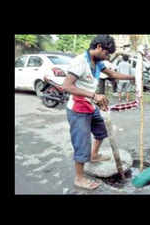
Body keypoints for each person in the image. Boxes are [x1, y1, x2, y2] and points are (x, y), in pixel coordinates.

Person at [62, 35, 135, 190]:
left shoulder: (98, 62)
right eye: (107, 53)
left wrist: (132, 77)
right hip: (77, 109)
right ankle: (79, 178)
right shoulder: (80, 62)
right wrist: (94, 95)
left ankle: (94, 155)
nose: (108, 57)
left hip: (90, 105)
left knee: (101, 131)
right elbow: (67, 86)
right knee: (82, 143)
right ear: (99, 47)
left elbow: (113, 74)